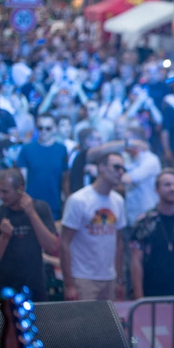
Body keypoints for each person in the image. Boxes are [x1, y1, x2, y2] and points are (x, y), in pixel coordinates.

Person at [60, 153, 127, 301]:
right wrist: (69, 284)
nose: (121, 172)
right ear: (101, 168)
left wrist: (120, 279)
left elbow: (119, 242)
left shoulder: (118, 201)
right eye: (116, 167)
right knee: (84, 324)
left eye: (123, 168)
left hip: (109, 277)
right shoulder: (78, 200)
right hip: (83, 277)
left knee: (107, 323)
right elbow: (64, 243)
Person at [129, 168, 174, 298]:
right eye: (167, 184)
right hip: (151, 291)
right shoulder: (144, 222)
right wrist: (138, 294)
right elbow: (136, 260)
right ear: (156, 189)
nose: (172, 188)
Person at [0, 169, 58, 302]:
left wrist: (31, 214)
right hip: (6, 287)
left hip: (35, 286)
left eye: (5, 191)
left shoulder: (40, 208)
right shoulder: (1, 212)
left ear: (20, 189)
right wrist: (4, 237)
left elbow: (51, 246)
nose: (1, 196)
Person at [17, 114, 69, 221]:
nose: (44, 131)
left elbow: (65, 180)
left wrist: (66, 201)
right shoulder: (27, 149)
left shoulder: (61, 149)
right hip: (31, 205)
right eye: (40, 128)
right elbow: (22, 180)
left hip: (54, 206)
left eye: (48, 128)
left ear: (54, 128)